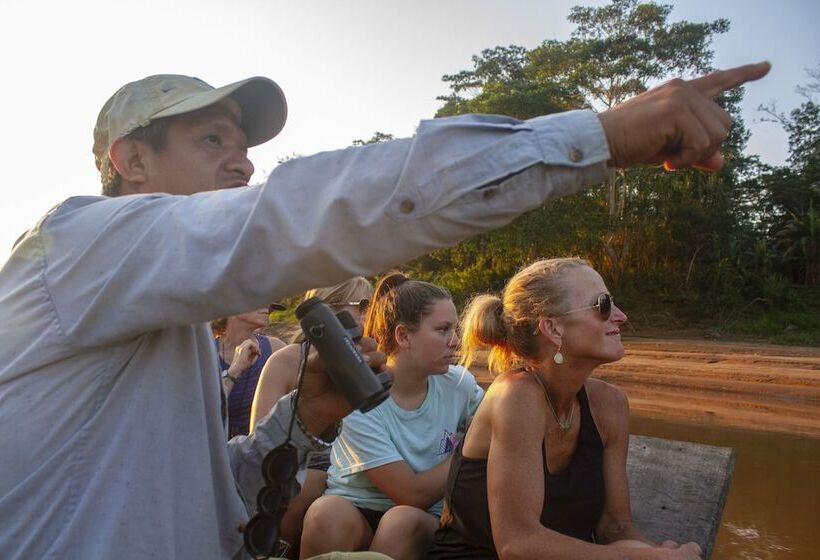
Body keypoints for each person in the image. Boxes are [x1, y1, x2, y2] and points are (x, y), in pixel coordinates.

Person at [0, 62, 770, 559]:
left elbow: (192, 494)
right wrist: (598, 135)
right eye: (211, 140)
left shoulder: (160, 321)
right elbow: (313, 213)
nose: (242, 163)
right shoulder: (77, 241)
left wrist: (303, 419)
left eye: (243, 146)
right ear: (128, 160)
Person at [428, 258, 702, 559]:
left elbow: (615, 528)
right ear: (553, 328)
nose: (621, 317)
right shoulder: (516, 397)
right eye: (603, 305)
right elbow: (517, 544)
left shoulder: (609, 406)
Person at [300, 273, 484, 560]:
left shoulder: (459, 385)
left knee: (401, 522)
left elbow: (496, 427)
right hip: (358, 511)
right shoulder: (359, 396)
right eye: (443, 330)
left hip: (420, 520)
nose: (456, 341)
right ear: (403, 335)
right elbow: (410, 492)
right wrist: (467, 447)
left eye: (455, 329)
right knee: (325, 513)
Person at [249, 277, 373, 557]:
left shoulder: (369, 359)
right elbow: (258, 440)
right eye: (362, 304)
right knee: (306, 487)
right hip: (305, 468)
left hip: (361, 468)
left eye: (371, 304)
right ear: (328, 309)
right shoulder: (286, 361)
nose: (369, 312)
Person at [213, 306, 286, 437]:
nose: (267, 305)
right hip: (219, 451)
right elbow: (202, 413)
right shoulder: (206, 355)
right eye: (257, 299)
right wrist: (235, 370)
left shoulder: (276, 349)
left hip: (264, 450)